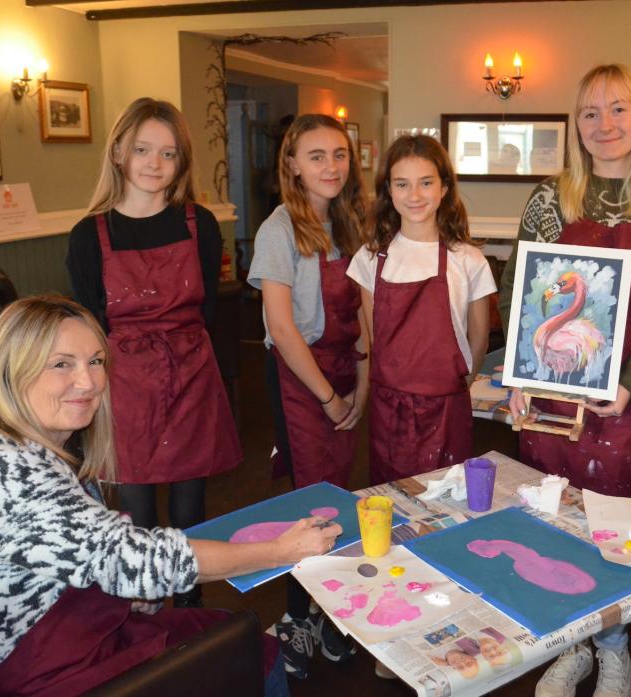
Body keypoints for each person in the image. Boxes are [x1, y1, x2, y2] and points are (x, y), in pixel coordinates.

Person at [0, 295, 340, 697]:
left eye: (96, 361)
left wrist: (125, 593)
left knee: (230, 630)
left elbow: (78, 555)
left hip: (65, 628)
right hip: (38, 674)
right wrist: (280, 551)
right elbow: (141, 560)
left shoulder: (22, 450)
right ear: (11, 373)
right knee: (251, 648)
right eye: (61, 364)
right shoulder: (5, 474)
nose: (89, 382)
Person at [496, 64, 631, 697]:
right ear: (575, 124)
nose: (605, 125)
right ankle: (571, 642)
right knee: (550, 518)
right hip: (552, 385)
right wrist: (518, 373)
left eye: (618, 109)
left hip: (625, 391)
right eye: (590, 113)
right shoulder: (548, 198)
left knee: (610, 526)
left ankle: (614, 645)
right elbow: (518, 298)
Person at [66, 98, 241, 608]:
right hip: (126, 381)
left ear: (181, 162)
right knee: (137, 510)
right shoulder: (88, 235)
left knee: (192, 506)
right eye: (143, 149)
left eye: (167, 153)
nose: (153, 164)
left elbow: (206, 306)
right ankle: (144, 612)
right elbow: (90, 328)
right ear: (119, 151)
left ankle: (190, 614)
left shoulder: (199, 224)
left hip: (192, 372)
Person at [247, 113, 368, 678]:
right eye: (316, 155)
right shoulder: (279, 229)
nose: (331, 166)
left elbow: (362, 311)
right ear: (292, 164)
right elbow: (282, 326)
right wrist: (327, 398)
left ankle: (329, 611)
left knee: (340, 497)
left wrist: (362, 384)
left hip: (345, 372)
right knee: (306, 502)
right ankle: (297, 616)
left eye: (339, 154)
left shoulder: (349, 222)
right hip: (301, 379)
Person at [348, 135, 496, 484]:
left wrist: (461, 380)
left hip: (447, 407)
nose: (414, 195)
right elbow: (373, 337)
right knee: (394, 497)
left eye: (426, 183)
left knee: (447, 497)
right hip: (389, 409)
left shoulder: (468, 259)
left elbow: (479, 338)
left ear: (444, 187)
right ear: (389, 190)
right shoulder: (370, 259)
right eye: (403, 184)